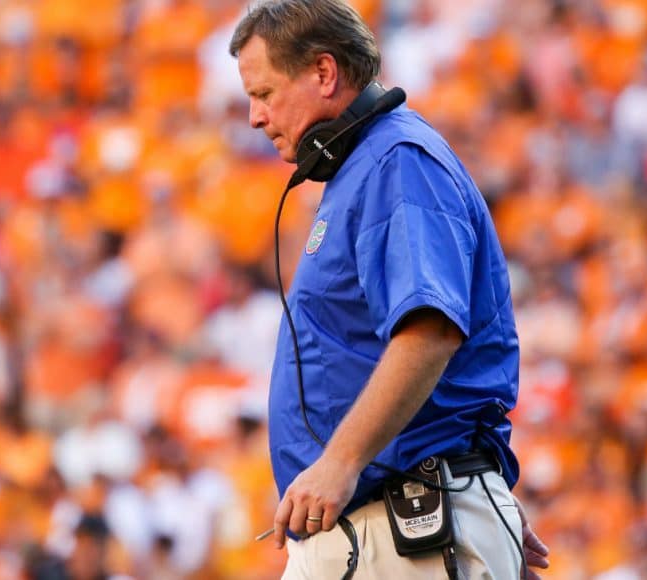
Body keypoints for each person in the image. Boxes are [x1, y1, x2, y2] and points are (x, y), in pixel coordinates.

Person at [229, 1, 550, 578]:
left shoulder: (396, 160)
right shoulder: (366, 167)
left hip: (403, 529)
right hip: (387, 523)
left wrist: (344, 461)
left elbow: (429, 331)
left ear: (324, 74)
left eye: (265, 94)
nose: (255, 117)